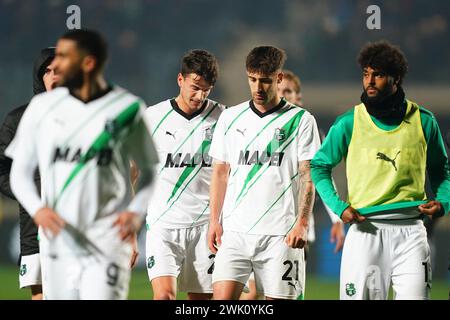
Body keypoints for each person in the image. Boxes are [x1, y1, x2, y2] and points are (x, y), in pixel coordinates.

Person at [6, 29, 158, 300]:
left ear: (88, 62)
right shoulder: (41, 109)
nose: (56, 66)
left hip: (107, 241)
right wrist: (37, 209)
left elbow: (147, 170)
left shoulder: (128, 108)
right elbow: (18, 172)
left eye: (64, 57)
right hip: (56, 242)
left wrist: (135, 212)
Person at [311, 40, 450, 300]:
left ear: (396, 78)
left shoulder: (423, 121)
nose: (370, 81)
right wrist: (338, 207)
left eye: (378, 75)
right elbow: (319, 166)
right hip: (366, 232)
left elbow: (442, 170)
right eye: (366, 74)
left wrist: (444, 202)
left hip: (411, 233)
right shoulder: (349, 122)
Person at [208, 46, 321, 300]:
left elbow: (308, 176)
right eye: (253, 79)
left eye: (266, 81)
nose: (258, 87)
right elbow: (220, 173)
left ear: (279, 79)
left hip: (281, 236)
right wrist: (214, 220)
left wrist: (302, 223)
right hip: (235, 233)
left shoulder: (301, 121)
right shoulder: (230, 118)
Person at [144, 49, 225, 300]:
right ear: (180, 80)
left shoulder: (224, 118)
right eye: (195, 86)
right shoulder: (153, 118)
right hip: (163, 225)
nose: (200, 95)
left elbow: (228, 173)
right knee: (165, 296)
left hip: (205, 227)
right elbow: (134, 171)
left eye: (207, 89)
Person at [0, 47, 58, 300]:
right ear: (39, 76)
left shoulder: (87, 117)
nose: (54, 76)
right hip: (33, 225)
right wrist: (29, 194)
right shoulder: (19, 119)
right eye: (48, 71)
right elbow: (2, 168)